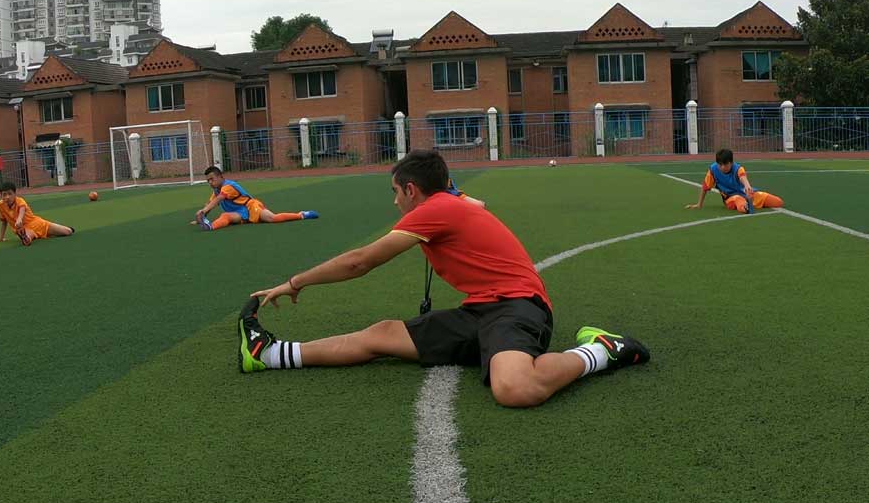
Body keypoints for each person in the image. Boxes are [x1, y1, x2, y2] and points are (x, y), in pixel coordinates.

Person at [238, 150, 649, 408]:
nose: (395, 200)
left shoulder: (437, 209)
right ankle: (268, 353)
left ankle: (603, 349)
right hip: (480, 310)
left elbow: (359, 263)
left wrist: (294, 283)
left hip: (519, 307)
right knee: (380, 334)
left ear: (412, 190)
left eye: (396, 192)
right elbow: (473, 204)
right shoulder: (449, 203)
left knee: (515, 390)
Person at [194, 166, 319, 231]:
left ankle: (301, 215)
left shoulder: (228, 186)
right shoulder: (216, 190)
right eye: (208, 180)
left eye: (212, 179)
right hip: (239, 213)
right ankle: (210, 226)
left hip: (251, 207)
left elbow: (218, 200)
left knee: (272, 218)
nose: (210, 182)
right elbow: (211, 203)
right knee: (225, 216)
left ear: (221, 177)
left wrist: (203, 212)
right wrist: (202, 217)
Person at [686, 148, 784, 214]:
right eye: (720, 165)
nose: (723, 167)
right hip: (730, 198)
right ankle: (746, 206)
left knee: (778, 202)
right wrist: (699, 204)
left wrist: (747, 187)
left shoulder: (738, 168)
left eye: (726, 164)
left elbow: (743, 177)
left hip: (745, 193)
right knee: (739, 202)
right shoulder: (713, 170)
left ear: (731, 162)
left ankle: (750, 203)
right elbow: (705, 187)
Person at [0, 182, 75, 246]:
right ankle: (26, 238)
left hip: (37, 224)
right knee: (28, 237)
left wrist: (19, 219)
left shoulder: (20, 200)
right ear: (1, 196)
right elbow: (4, 221)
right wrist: (1, 237)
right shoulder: (0, 205)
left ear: (15, 194)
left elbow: (22, 209)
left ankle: (64, 229)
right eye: (4, 194)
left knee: (68, 232)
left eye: (10, 194)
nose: (7, 197)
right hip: (23, 229)